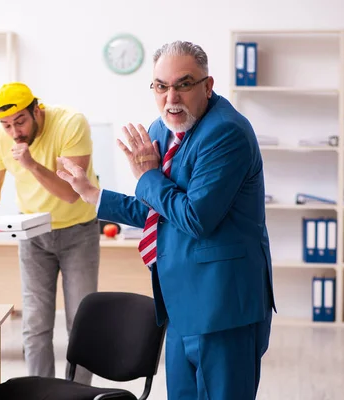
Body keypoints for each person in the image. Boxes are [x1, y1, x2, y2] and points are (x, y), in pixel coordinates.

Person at [56, 41, 276, 400]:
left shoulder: (227, 133)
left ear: (207, 85)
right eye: (161, 86)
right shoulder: (160, 130)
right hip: (178, 303)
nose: (170, 97)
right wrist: (91, 194)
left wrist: (147, 176)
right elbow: (156, 211)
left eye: (183, 84)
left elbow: (195, 216)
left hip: (224, 305)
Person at [0, 82, 100, 385]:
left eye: (20, 121)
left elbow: (73, 193)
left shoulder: (71, 123)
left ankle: (78, 393)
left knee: (81, 324)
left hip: (79, 231)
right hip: (33, 235)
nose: (15, 132)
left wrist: (31, 165)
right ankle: (41, 393)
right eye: (6, 125)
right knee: (35, 325)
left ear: (37, 109)